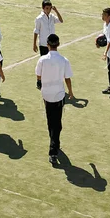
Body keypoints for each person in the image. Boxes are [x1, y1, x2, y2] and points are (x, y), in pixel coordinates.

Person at [36, 33, 74, 165]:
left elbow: (38, 75)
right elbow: (67, 78)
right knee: (57, 122)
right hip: (58, 95)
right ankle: (53, 150)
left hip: (46, 94)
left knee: (50, 120)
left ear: (47, 45)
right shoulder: (64, 60)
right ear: (58, 44)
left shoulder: (42, 60)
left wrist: (41, 83)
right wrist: (70, 91)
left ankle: (54, 142)